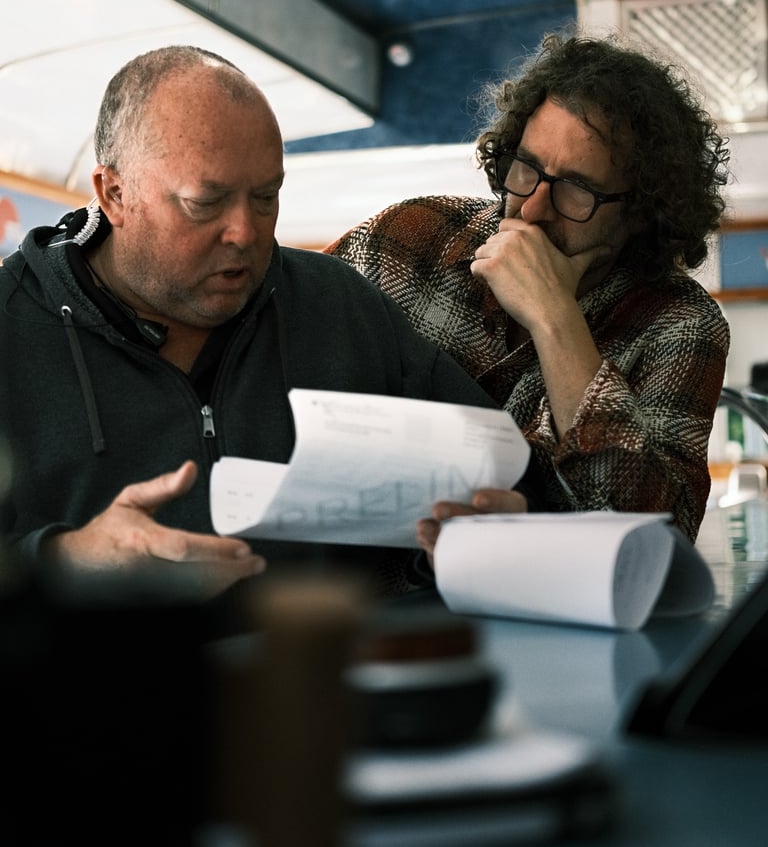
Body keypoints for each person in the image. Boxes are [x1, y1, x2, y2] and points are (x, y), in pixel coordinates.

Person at [0, 44, 503, 601]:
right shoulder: (10, 328)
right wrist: (65, 561)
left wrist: (474, 529)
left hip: (323, 654)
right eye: (205, 202)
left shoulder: (340, 306)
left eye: (266, 197)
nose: (245, 231)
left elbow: (496, 479)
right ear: (115, 194)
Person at [326, 32, 731, 557]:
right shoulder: (412, 233)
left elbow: (654, 542)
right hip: (337, 582)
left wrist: (555, 318)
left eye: (577, 189)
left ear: (641, 212)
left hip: (522, 603)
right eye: (528, 168)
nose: (534, 208)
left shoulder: (679, 324)